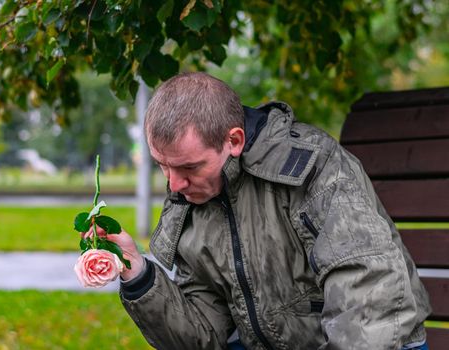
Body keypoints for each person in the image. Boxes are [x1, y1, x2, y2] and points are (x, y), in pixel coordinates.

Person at [91, 72, 431, 349]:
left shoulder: (315, 167)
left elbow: (370, 299)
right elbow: (203, 335)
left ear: (234, 141)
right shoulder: (194, 200)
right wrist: (136, 273)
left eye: (189, 168)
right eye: (163, 166)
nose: (174, 184)